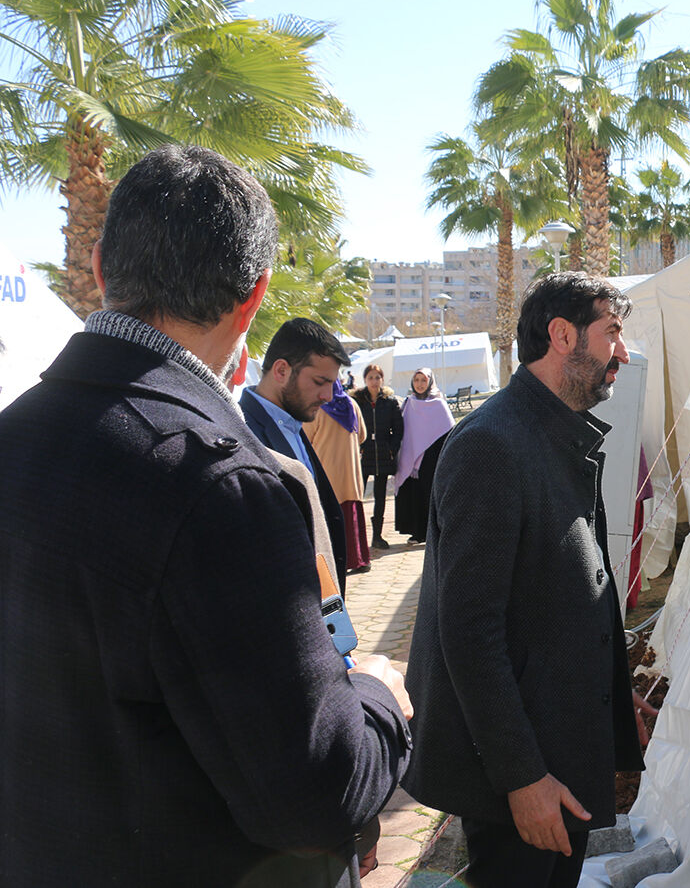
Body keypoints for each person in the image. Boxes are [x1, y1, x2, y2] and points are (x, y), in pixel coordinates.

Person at [0, 143, 412, 887]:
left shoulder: (16, 434)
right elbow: (317, 793)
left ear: (100, 266)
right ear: (254, 297)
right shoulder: (219, 483)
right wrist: (380, 694)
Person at [403, 272, 649, 888]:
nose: (623, 352)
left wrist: (612, 692)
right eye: (612, 332)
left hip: (559, 745)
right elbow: (469, 631)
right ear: (562, 336)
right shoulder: (492, 444)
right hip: (525, 774)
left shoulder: (548, 432)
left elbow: (562, 593)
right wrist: (523, 778)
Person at [241, 316, 351, 591]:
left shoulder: (292, 423)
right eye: (320, 381)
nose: (328, 396)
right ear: (281, 370)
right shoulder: (243, 432)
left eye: (332, 384)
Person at [305, 380, 371, 574]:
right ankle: (360, 559)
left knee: (331, 518)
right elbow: (363, 435)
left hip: (327, 471)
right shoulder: (351, 404)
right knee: (353, 515)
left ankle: (337, 563)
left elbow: (306, 437)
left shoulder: (317, 407)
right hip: (351, 471)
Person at [392, 367, 454, 545]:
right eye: (416, 380)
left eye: (423, 380)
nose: (419, 384)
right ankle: (417, 532)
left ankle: (434, 533)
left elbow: (448, 431)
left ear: (430, 382)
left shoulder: (439, 404)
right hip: (411, 458)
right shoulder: (409, 403)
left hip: (431, 458)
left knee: (432, 495)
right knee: (415, 495)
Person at [353, 363, 404, 549]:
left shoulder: (390, 401)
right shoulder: (357, 401)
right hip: (363, 454)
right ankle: (356, 538)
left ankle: (377, 536)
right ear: (365, 380)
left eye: (377, 377)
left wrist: (391, 449)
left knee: (380, 496)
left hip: (383, 453)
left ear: (382, 379)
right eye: (370, 378)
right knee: (357, 495)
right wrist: (359, 447)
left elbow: (398, 429)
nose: (374, 381)